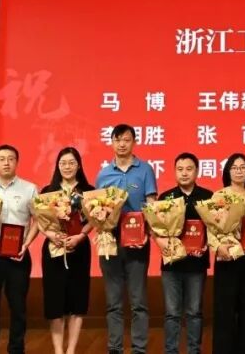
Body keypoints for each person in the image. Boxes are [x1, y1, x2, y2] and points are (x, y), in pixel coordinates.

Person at [94, 124, 158, 354]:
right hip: (110, 241)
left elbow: (151, 205)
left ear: (134, 142)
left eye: (126, 139)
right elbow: (96, 207)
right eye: (117, 139)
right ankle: (115, 348)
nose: (122, 144)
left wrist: (149, 231)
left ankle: (139, 348)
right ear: (111, 142)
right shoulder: (103, 174)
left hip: (137, 241)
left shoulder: (145, 170)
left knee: (138, 301)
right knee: (113, 301)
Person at [0, 144, 39, 354]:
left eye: (11, 159)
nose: (6, 163)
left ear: (16, 162)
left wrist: (26, 244)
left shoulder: (30, 188)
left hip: (18, 256)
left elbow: (38, 220)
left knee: (18, 307)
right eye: (1, 159)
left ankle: (16, 348)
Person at [155, 153, 214, 354]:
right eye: (180, 169)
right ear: (174, 172)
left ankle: (194, 350)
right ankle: (171, 351)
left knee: (194, 312)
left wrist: (208, 243)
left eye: (189, 169)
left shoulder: (207, 197)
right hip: (171, 264)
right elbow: (155, 229)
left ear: (197, 171)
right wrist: (160, 241)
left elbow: (216, 228)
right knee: (172, 313)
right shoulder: (165, 198)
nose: (184, 173)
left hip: (196, 264)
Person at [38, 147, 94, 354]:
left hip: (79, 249)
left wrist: (81, 236)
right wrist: (51, 235)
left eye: (71, 163)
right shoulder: (48, 191)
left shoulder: (88, 191)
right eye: (63, 163)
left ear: (78, 165)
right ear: (57, 166)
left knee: (77, 301)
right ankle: (58, 351)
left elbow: (95, 219)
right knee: (55, 302)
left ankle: (70, 350)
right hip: (54, 250)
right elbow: (40, 221)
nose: (67, 167)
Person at [210, 153, 245, 354]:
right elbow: (210, 228)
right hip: (226, 256)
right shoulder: (219, 195)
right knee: (225, 308)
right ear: (228, 171)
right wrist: (218, 247)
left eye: (243, 167)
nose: (239, 171)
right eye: (235, 167)